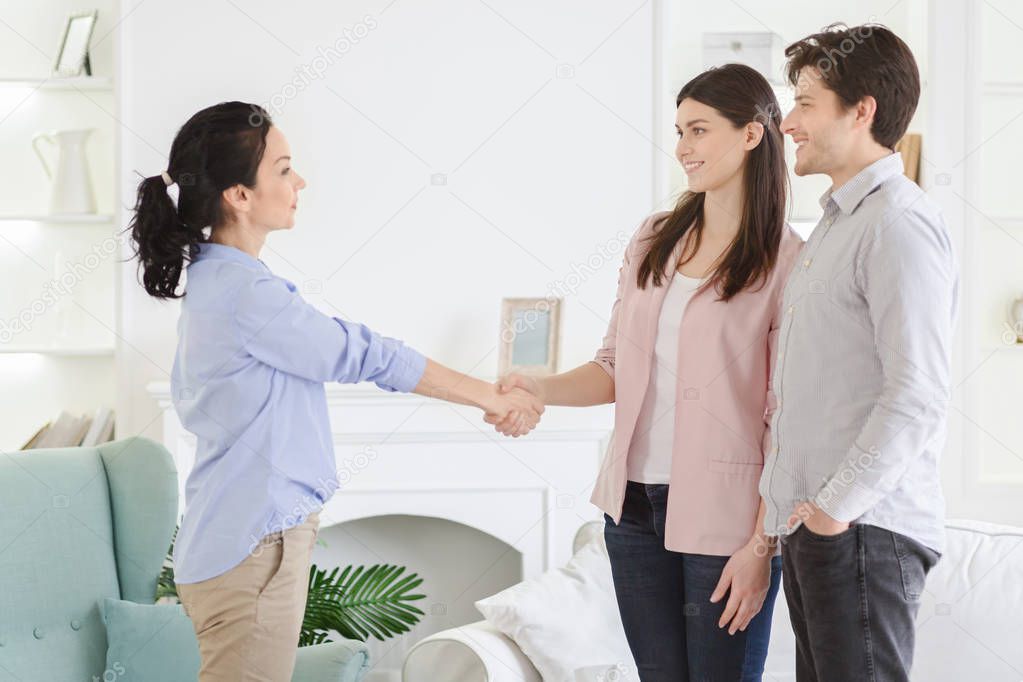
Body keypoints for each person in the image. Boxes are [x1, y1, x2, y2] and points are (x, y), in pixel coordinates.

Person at [127, 101, 543, 681]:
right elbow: (365, 354)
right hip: (253, 551)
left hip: (237, 546)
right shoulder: (246, 295)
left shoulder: (223, 282)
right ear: (239, 195)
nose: (300, 181)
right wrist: (490, 397)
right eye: (283, 168)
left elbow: (352, 349)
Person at [492, 63, 804, 681]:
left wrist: (761, 546)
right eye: (679, 131)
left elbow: (785, 414)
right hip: (632, 510)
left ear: (751, 134)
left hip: (729, 521)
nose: (683, 148)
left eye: (699, 130)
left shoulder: (788, 260)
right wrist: (541, 389)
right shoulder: (654, 238)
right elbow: (614, 366)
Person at [760, 23, 958, 682]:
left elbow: (918, 393)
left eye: (806, 103)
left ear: (861, 110)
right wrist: (801, 520)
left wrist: (832, 513)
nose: (789, 122)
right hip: (824, 531)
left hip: (862, 531)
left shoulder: (897, 224)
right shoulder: (836, 228)